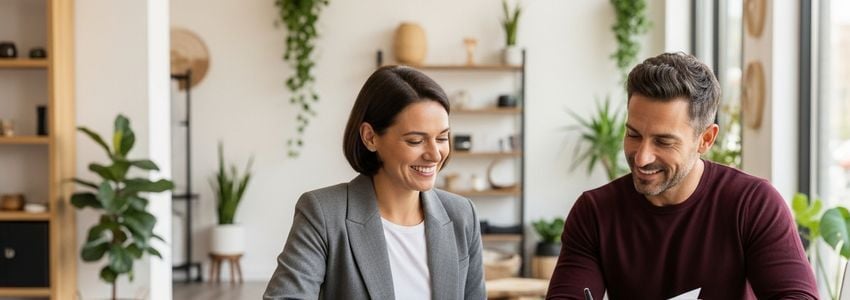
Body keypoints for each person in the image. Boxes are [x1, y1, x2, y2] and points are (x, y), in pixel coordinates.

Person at [546, 53, 818, 299]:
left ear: (706, 140)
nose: (641, 157)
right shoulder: (594, 213)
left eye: (663, 142)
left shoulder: (752, 204)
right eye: (633, 135)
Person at [263, 66, 485, 300]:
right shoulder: (323, 214)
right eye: (415, 140)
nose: (435, 154)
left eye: (442, 138)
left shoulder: (462, 215)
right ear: (370, 137)